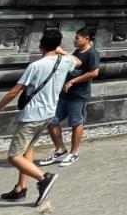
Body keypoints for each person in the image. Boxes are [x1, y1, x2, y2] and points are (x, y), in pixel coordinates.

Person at [0, 29, 78, 206]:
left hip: (32, 115)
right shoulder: (64, 61)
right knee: (28, 149)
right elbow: (78, 61)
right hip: (48, 113)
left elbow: (14, 92)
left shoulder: (36, 66)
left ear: (41, 45)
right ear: (57, 45)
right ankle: (20, 188)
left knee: (13, 156)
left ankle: (43, 179)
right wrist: (61, 51)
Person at [39, 27, 100, 168]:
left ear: (87, 39)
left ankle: (74, 152)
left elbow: (94, 72)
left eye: (78, 37)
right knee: (52, 119)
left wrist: (73, 81)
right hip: (65, 93)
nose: (75, 40)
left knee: (76, 122)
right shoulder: (78, 51)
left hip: (79, 94)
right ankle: (60, 149)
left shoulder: (92, 53)